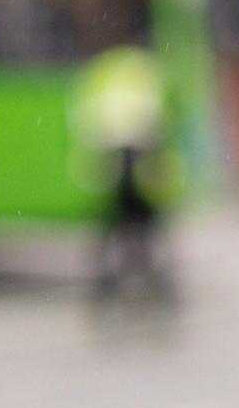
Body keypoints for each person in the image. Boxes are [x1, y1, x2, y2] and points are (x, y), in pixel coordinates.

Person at [68, 40, 178, 307]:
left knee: (111, 235)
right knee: (147, 232)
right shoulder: (145, 71)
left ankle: (106, 292)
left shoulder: (96, 74)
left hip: (112, 170)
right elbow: (162, 124)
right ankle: (155, 290)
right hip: (140, 168)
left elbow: (83, 126)